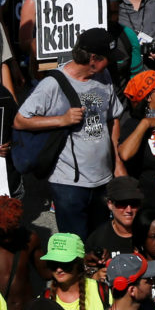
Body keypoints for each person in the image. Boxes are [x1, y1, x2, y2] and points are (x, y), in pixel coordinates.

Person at [15, 29, 123, 237]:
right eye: (107, 59)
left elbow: (113, 117)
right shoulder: (51, 85)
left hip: (103, 179)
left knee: (100, 241)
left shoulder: (104, 76)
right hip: (69, 184)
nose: (110, 63)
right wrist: (62, 120)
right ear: (93, 59)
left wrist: (116, 161)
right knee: (75, 246)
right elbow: (20, 121)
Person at [41, 233, 105, 310]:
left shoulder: (103, 292)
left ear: (79, 264)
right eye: (53, 264)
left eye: (65, 263)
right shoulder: (43, 300)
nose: (59, 269)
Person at [85, 177, 144, 261]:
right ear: (110, 204)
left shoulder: (150, 233)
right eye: (122, 203)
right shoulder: (97, 239)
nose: (129, 210)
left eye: (134, 203)